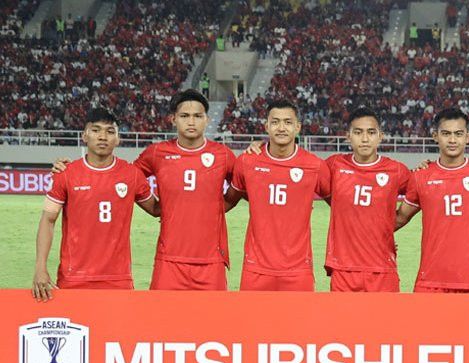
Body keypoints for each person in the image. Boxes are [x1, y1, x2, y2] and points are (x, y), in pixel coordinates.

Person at [53, 90, 238, 290]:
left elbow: (242, 185)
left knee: (213, 320)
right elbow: (120, 175)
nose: (191, 122)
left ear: (207, 120)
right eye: (184, 116)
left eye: (197, 116)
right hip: (168, 261)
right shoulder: (156, 153)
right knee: (159, 319)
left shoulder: (223, 155)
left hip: (212, 261)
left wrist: (217, 207)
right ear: (173, 119)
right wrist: (74, 169)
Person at [33, 108, 158, 301]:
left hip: (118, 279)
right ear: (84, 136)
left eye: (110, 131)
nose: (102, 136)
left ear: (118, 139)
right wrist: (40, 268)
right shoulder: (66, 173)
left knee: (117, 332)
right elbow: (47, 220)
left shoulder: (131, 174)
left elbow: (157, 209)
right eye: (96, 130)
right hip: (74, 278)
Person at [225, 100, 329, 291]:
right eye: (275, 122)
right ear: (266, 126)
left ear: (298, 127)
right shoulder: (247, 162)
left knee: (299, 322)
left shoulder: (314, 166)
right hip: (255, 269)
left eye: (288, 122)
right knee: (251, 322)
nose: (281, 128)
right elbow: (225, 203)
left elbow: (341, 208)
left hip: (298, 271)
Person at [396, 108, 469, 293]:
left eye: (458, 134)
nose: (452, 140)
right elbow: (398, 219)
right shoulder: (421, 176)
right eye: (446, 134)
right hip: (429, 282)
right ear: (435, 136)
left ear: (468, 137)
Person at [324, 108, 410, 292]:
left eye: (371, 132)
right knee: (341, 321)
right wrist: (261, 146)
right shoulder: (334, 165)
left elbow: (423, 192)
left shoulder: (397, 170)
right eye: (358, 132)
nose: (364, 139)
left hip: (382, 269)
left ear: (381, 136)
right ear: (348, 136)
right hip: (343, 270)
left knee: (384, 321)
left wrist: (386, 226)